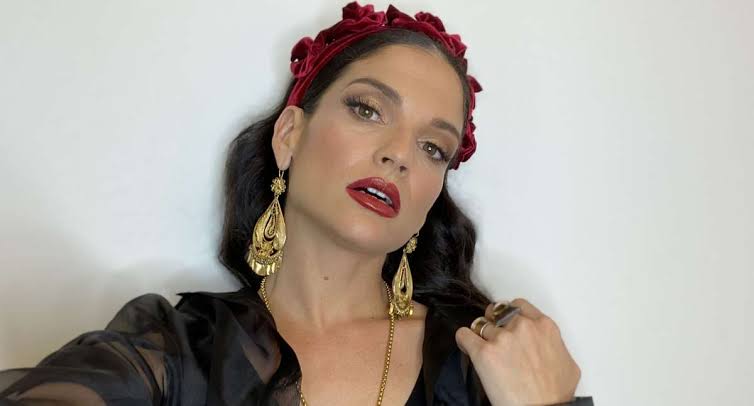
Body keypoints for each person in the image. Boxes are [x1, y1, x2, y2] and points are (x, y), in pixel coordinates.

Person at [0, 2, 594, 405]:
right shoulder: (179, 353)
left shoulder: (483, 366)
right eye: (368, 109)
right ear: (289, 135)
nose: (398, 154)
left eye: (433, 147)